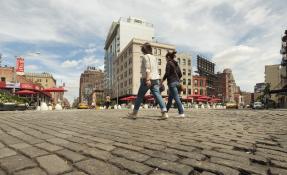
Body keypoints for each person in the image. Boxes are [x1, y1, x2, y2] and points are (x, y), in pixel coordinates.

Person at [128, 42, 168, 119]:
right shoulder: (154, 57)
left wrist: (148, 79)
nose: (142, 51)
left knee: (140, 96)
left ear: (144, 50)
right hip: (156, 79)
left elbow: (148, 68)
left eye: (142, 50)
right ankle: (164, 112)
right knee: (157, 95)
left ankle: (134, 113)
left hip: (147, 79)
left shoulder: (145, 57)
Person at [162, 51, 185, 117]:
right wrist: (176, 78)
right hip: (177, 83)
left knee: (176, 98)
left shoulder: (169, 63)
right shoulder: (176, 64)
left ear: (168, 57)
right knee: (170, 99)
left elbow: (167, 73)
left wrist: (162, 81)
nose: (165, 60)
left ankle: (181, 113)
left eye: (166, 58)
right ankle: (165, 112)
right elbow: (180, 74)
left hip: (172, 83)